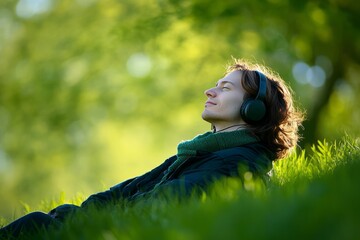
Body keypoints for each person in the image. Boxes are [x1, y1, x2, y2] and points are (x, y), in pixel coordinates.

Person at [0, 59, 304, 238]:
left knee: (37, 225)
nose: (209, 91)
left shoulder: (237, 163)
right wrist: (68, 215)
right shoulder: (203, 152)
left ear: (254, 109)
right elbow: (125, 192)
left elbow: (153, 205)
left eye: (225, 88)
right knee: (41, 222)